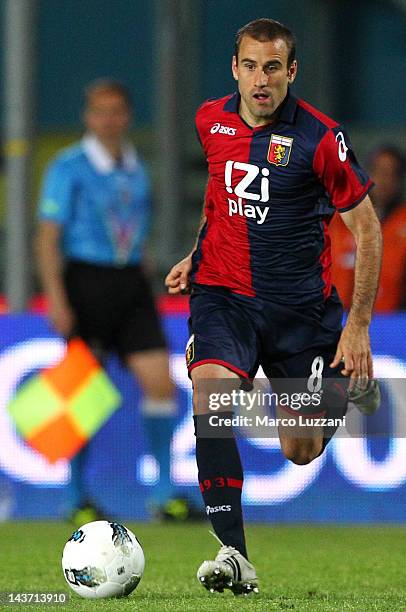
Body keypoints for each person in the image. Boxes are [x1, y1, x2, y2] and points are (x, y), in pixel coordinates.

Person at [165, 18, 382, 595]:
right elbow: (220, 195)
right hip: (224, 295)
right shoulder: (210, 121)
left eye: (273, 68)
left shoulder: (319, 137)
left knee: (301, 449)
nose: (261, 80)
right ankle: (234, 554)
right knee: (211, 394)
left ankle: (347, 383)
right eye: (250, 66)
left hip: (301, 313)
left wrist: (357, 325)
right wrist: (196, 252)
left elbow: (369, 230)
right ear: (235, 69)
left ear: (292, 72)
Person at [35, 79, 188, 523]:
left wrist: (143, 272)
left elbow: (133, 229)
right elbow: (48, 236)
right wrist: (57, 299)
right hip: (86, 281)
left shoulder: (136, 167)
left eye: (116, 111)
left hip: (130, 284)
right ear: (88, 117)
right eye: (100, 111)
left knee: (160, 382)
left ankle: (164, 494)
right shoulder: (68, 167)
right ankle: (75, 496)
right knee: (82, 394)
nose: (109, 119)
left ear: (126, 116)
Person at [330, 144, 406, 311]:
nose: (383, 180)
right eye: (378, 171)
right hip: (336, 323)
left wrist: (403, 325)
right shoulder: (336, 220)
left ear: (400, 180)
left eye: (391, 174)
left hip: (391, 326)